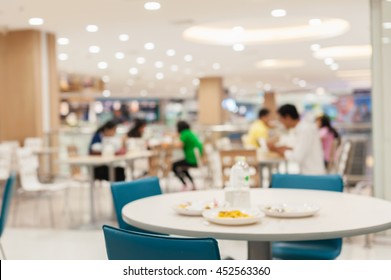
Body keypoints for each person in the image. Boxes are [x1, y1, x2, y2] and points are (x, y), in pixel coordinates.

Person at [268, 104, 325, 175]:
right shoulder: (301, 128)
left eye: (280, 119)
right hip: (309, 172)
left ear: (287, 117)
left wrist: (276, 149)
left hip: (312, 175)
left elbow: (297, 157)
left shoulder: (305, 130)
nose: (281, 123)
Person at [171, 121, 203, 190]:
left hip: (191, 159)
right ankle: (192, 183)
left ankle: (184, 183)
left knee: (174, 166)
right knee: (183, 168)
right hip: (196, 158)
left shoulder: (184, 133)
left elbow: (179, 145)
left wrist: (172, 141)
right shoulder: (189, 132)